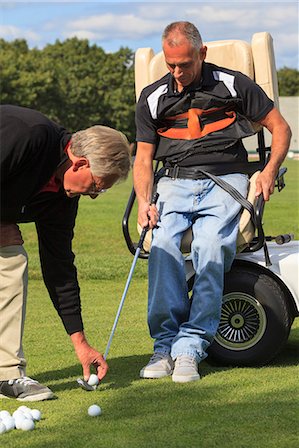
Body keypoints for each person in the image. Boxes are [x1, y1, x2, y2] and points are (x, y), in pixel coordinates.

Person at [133, 22, 291, 383]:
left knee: (209, 246)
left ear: (202, 54)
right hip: (173, 182)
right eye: (171, 65)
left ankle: (190, 348)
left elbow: (280, 128)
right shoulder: (153, 96)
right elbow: (143, 159)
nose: (177, 73)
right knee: (164, 247)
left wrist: (267, 171)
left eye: (185, 64)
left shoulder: (233, 83)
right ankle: (164, 346)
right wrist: (144, 201)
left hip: (227, 180)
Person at [0, 104, 131, 400]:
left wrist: (80, 342)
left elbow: (59, 269)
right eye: (97, 185)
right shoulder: (28, 136)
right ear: (80, 163)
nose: (95, 195)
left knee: (11, 259)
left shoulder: (62, 200)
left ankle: (7, 375)